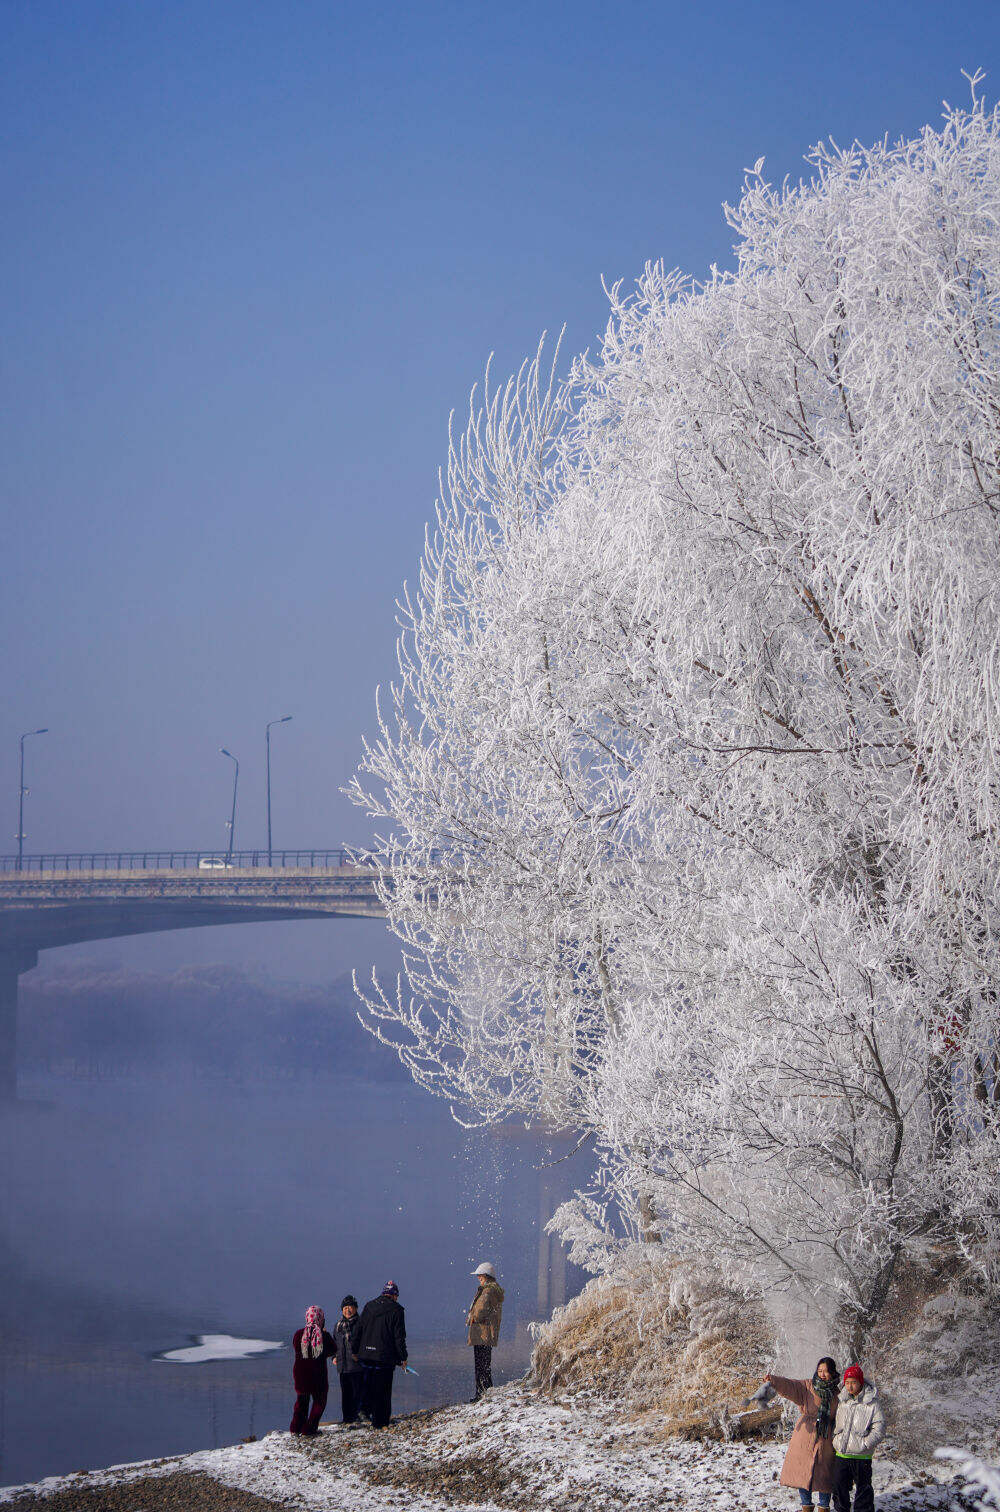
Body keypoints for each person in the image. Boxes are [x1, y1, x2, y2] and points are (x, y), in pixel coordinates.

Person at [763, 1357, 839, 1509]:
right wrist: (774, 1380)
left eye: (826, 1371)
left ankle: (824, 1507)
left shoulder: (838, 1392)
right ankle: (806, 1506)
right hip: (806, 1434)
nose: (822, 1374)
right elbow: (791, 1386)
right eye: (819, 1371)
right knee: (803, 1472)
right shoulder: (808, 1386)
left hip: (827, 1437)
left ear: (832, 1372)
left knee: (825, 1475)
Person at [353, 1280, 408, 1428]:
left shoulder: (369, 1306)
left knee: (368, 1385)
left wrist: (354, 1350)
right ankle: (380, 1421)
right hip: (384, 1357)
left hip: (366, 1355)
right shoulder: (397, 1310)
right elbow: (399, 1337)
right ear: (394, 1295)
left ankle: (363, 1413)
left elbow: (358, 1329)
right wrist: (403, 1357)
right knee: (383, 1389)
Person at [832, 1365, 885, 1512]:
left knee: (863, 1491)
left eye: (853, 1382)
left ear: (861, 1382)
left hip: (862, 1455)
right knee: (838, 1487)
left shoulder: (872, 1403)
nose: (850, 1386)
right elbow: (837, 1424)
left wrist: (865, 1444)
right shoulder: (842, 1401)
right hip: (842, 1454)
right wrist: (835, 1439)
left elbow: (879, 1428)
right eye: (847, 1382)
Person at [290, 1304, 336, 1436]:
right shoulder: (323, 1336)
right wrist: (324, 1333)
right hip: (318, 1375)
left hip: (300, 1374)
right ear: (321, 1319)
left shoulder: (299, 1334)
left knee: (301, 1401)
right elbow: (333, 1349)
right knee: (319, 1402)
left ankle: (295, 1428)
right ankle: (309, 1429)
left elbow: (295, 1347)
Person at [466, 1261, 504, 1402]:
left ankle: (481, 1393)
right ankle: (486, 1391)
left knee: (480, 1365)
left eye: (480, 1275)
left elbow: (480, 1311)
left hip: (482, 1333)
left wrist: (471, 1316)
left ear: (486, 1276)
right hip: (486, 1333)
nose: (478, 1278)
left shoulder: (487, 1291)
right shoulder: (494, 1290)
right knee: (485, 1364)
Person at [333, 1294, 364, 1424]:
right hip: (342, 1365)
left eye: (350, 1307)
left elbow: (365, 1342)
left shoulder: (361, 1323)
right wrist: (334, 1357)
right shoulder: (338, 1326)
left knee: (358, 1392)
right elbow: (335, 1344)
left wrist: (361, 1356)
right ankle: (347, 1419)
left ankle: (360, 1416)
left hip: (356, 1365)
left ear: (356, 1308)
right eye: (345, 1308)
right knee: (345, 1394)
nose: (347, 1310)